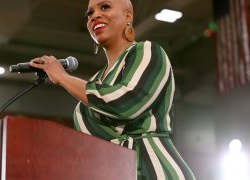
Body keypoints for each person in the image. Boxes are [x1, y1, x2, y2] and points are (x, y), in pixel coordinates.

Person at [30, 0, 196, 179]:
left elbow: (126, 105)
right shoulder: (95, 81)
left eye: (105, 7)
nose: (95, 16)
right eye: (89, 13)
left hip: (155, 171)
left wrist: (63, 77)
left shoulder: (148, 51)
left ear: (128, 16)